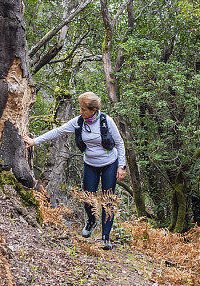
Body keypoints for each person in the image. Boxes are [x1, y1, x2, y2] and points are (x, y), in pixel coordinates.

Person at [24, 92, 126, 250]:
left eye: (84, 109)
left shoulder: (107, 121)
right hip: (90, 164)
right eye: (80, 108)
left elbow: (119, 143)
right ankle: (91, 221)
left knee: (108, 200)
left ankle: (106, 238)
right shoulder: (79, 122)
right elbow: (58, 131)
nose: (81, 112)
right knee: (88, 197)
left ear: (94, 110)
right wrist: (34, 141)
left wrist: (122, 166)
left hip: (109, 164)